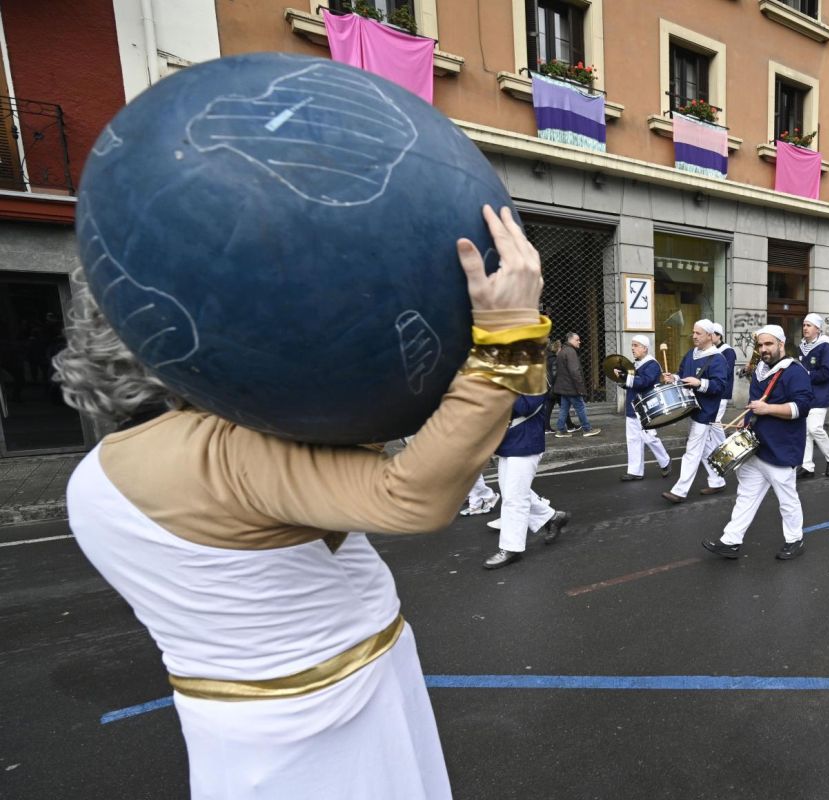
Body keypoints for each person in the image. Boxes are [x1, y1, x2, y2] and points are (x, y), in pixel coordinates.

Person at [58, 205, 545, 800]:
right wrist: (508, 336)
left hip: (230, 721)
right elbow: (412, 496)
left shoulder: (92, 476)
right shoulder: (226, 450)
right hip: (332, 717)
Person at [701, 325, 813, 560]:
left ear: (781, 344)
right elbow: (755, 403)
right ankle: (730, 541)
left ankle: (795, 540)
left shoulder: (796, 372)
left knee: (787, 499)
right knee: (746, 496)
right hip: (756, 445)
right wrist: (748, 421)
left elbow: (801, 408)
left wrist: (767, 408)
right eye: (760, 345)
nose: (763, 349)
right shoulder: (761, 369)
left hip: (782, 447)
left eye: (769, 344)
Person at [482, 393, 570, 569]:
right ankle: (552, 517)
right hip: (509, 441)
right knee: (512, 491)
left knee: (515, 498)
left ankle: (511, 548)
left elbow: (523, 407)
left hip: (526, 441)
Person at [661, 319, 729, 504]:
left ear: (709, 335)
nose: (694, 336)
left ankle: (680, 491)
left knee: (692, 450)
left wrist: (700, 383)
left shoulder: (718, 359)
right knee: (706, 448)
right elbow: (682, 375)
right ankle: (717, 481)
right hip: (691, 407)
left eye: (698, 333)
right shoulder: (691, 354)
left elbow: (720, 385)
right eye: (693, 332)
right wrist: (673, 377)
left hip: (706, 411)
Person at [614, 334, 672, 481]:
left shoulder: (652, 364)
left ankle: (665, 461)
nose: (632, 348)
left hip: (647, 407)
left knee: (649, 438)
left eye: (636, 345)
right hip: (633, 406)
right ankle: (635, 471)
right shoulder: (636, 364)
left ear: (645, 348)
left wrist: (624, 377)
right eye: (632, 345)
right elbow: (632, 383)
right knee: (633, 439)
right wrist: (622, 379)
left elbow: (644, 382)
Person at [796, 313, 829, 478]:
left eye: (809, 325)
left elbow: (827, 373)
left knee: (814, 428)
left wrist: (805, 374)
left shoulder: (825, 347)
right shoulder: (802, 346)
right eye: (804, 325)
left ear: (817, 328)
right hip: (806, 395)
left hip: (821, 394)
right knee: (806, 431)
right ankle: (807, 466)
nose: (805, 328)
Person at [553, 331, 600, 438]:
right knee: (580, 407)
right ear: (570, 340)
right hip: (572, 387)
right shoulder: (570, 352)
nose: (580, 342)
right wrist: (580, 388)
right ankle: (587, 429)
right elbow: (574, 371)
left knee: (564, 409)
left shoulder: (563, 351)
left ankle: (560, 430)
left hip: (565, 387)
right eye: (577, 340)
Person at [705, 322, 738, 460]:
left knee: (715, 421)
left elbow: (726, 371)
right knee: (713, 422)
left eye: (711, 334)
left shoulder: (728, 351)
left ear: (718, 335)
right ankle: (719, 449)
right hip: (713, 390)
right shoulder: (711, 349)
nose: (709, 337)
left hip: (722, 391)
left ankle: (725, 449)